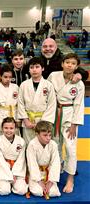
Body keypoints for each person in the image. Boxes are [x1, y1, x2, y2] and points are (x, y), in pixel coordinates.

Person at [47, 53, 85, 193]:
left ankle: (70, 178)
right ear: (62, 64)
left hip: (69, 116)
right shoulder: (53, 76)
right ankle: (56, 171)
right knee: (55, 145)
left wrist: (75, 124)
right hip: (54, 114)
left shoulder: (79, 84)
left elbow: (79, 105)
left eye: (73, 63)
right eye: (67, 62)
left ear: (76, 66)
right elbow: (47, 93)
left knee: (70, 148)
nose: (69, 65)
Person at [18, 57, 56, 144]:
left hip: (43, 121)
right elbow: (20, 104)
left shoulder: (48, 85)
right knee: (28, 145)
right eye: (31, 67)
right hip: (28, 121)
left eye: (37, 67)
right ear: (29, 70)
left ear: (42, 68)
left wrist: (42, 123)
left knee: (43, 145)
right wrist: (26, 120)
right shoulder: (23, 85)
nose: (34, 70)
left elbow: (51, 105)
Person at [26, 121, 61, 198]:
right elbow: (32, 164)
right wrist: (39, 181)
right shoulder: (32, 145)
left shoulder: (53, 145)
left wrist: (51, 181)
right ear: (37, 134)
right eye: (45, 135)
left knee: (53, 192)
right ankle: (35, 182)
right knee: (38, 192)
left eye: (50, 135)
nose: (48, 138)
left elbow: (55, 163)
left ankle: (50, 183)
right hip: (36, 173)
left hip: (48, 172)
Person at [0, 117, 28, 195]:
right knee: (4, 191)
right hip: (3, 170)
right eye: (6, 128)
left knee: (22, 191)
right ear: (2, 128)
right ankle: (7, 184)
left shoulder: (21, 141)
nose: (8, 130)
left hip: (17, 170)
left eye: (11, 128)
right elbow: (0, 160)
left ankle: (14, 184)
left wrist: (14, 174)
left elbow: (21, 160)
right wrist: (9, 175)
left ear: (15, 129)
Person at [0, 64, 19, 135]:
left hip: (14, 115)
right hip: (2, 115)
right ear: (0, 76)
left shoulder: (15, 87)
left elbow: (19, 104)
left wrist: (18, 119)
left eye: (10, 77)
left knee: (15, 135)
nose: (8, 79)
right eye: (5, 77)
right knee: (2, 136)